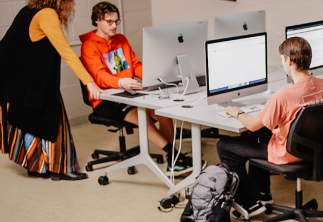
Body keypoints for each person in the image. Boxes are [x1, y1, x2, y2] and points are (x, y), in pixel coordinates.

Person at [217, 37, 323, 217]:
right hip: (314, 150)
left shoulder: (284, 96)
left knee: (225, 146)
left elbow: (252, 124)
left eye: (282, 60)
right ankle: (263, 195)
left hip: (287, 153)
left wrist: (238, 112)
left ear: (289, 60)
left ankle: (250, 203)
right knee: (259, 138)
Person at [80, 2, 190, 172]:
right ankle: (175, 154)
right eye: (109, 22)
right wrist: (120, 82)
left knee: (163, 112)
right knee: (142, 117)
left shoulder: (121, 39)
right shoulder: (89, 45)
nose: (114, 26)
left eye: (116, 21)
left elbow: (136, 65)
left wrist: (155, 76)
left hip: (129, 93)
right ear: (97, 21)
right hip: (106, 100)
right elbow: (99, 75)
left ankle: (172, 161)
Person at [0, 0, 103, 180]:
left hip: (17, 78)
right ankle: (62, 169)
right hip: (22, 80)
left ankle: (37, 165)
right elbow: (66, 52)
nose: (73, 3)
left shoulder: (29, 10)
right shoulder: (47, 14)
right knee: (53, 118)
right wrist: (89, 82)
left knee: (30, 118)